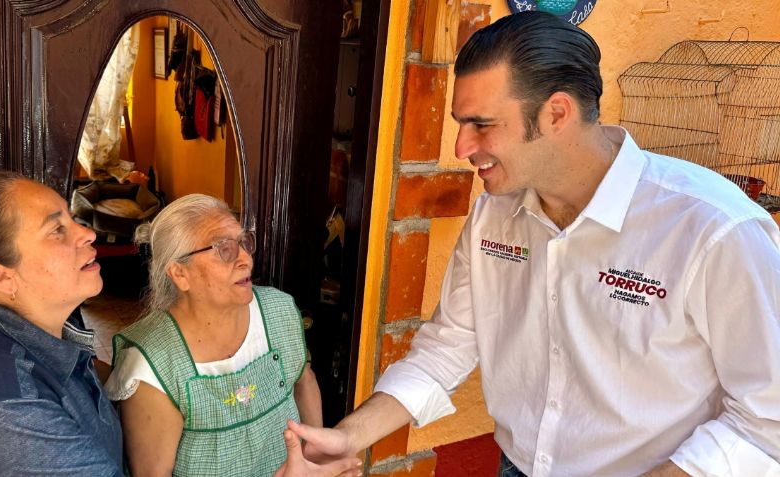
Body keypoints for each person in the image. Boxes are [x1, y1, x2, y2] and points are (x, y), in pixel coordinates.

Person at [288, 11, 780, 477]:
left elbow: (766, 421)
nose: (461, 148)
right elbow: (447, 348)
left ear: (556, 113)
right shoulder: (493, 214)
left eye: (481, 124)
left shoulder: (715, 230)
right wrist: (350, 437)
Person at [105, 193, 359, 477]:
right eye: (222, 249)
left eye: (244, 243)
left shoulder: (278, 310)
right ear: (179, 274)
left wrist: (317, 458)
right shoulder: (152, 363)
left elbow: (303, 380)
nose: (245, 259)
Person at [0, 171, 123, 476]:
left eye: (72, 219)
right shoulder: (12, 411)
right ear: (1, 276)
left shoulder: (33, 329)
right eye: (57, 229)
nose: (87, 234)